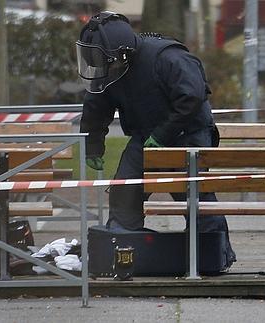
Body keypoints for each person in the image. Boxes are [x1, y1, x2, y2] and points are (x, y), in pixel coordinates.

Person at [76, 11, 236, 267]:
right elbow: (96, 107)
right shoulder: (109, 68)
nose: (97, 64)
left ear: (122, 55)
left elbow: (192, 98)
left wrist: (163, 135)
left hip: (188, 134)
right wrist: (92, 145)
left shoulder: (167, 58)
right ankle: (123, 248)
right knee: (125, 189)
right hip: (145, 135)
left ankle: (213, 254)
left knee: (195, 194)